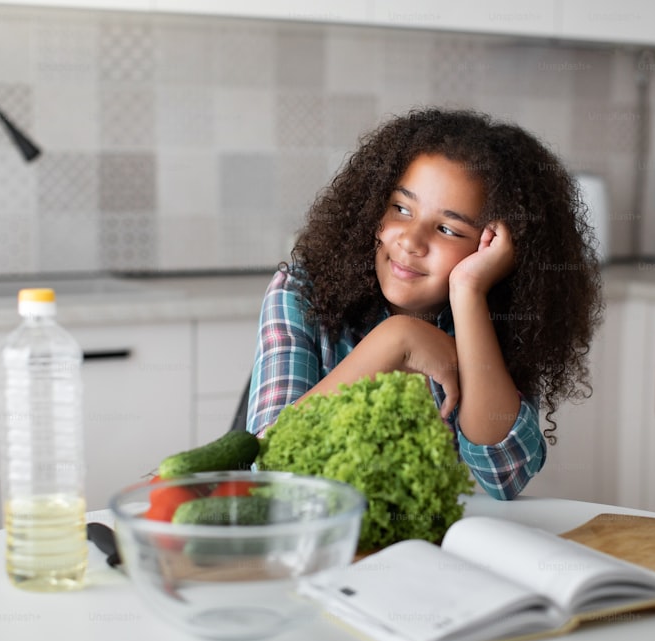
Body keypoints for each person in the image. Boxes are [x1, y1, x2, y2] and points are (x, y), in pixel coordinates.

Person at [246, 107, 603, 500]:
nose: (411, 241)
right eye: (401, 208)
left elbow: (504, 477)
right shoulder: (301, 291)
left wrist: (468, 293)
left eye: (448, 229)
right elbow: (269, 463)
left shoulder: (501, 317)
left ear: (491, 248)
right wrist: (397, 339)